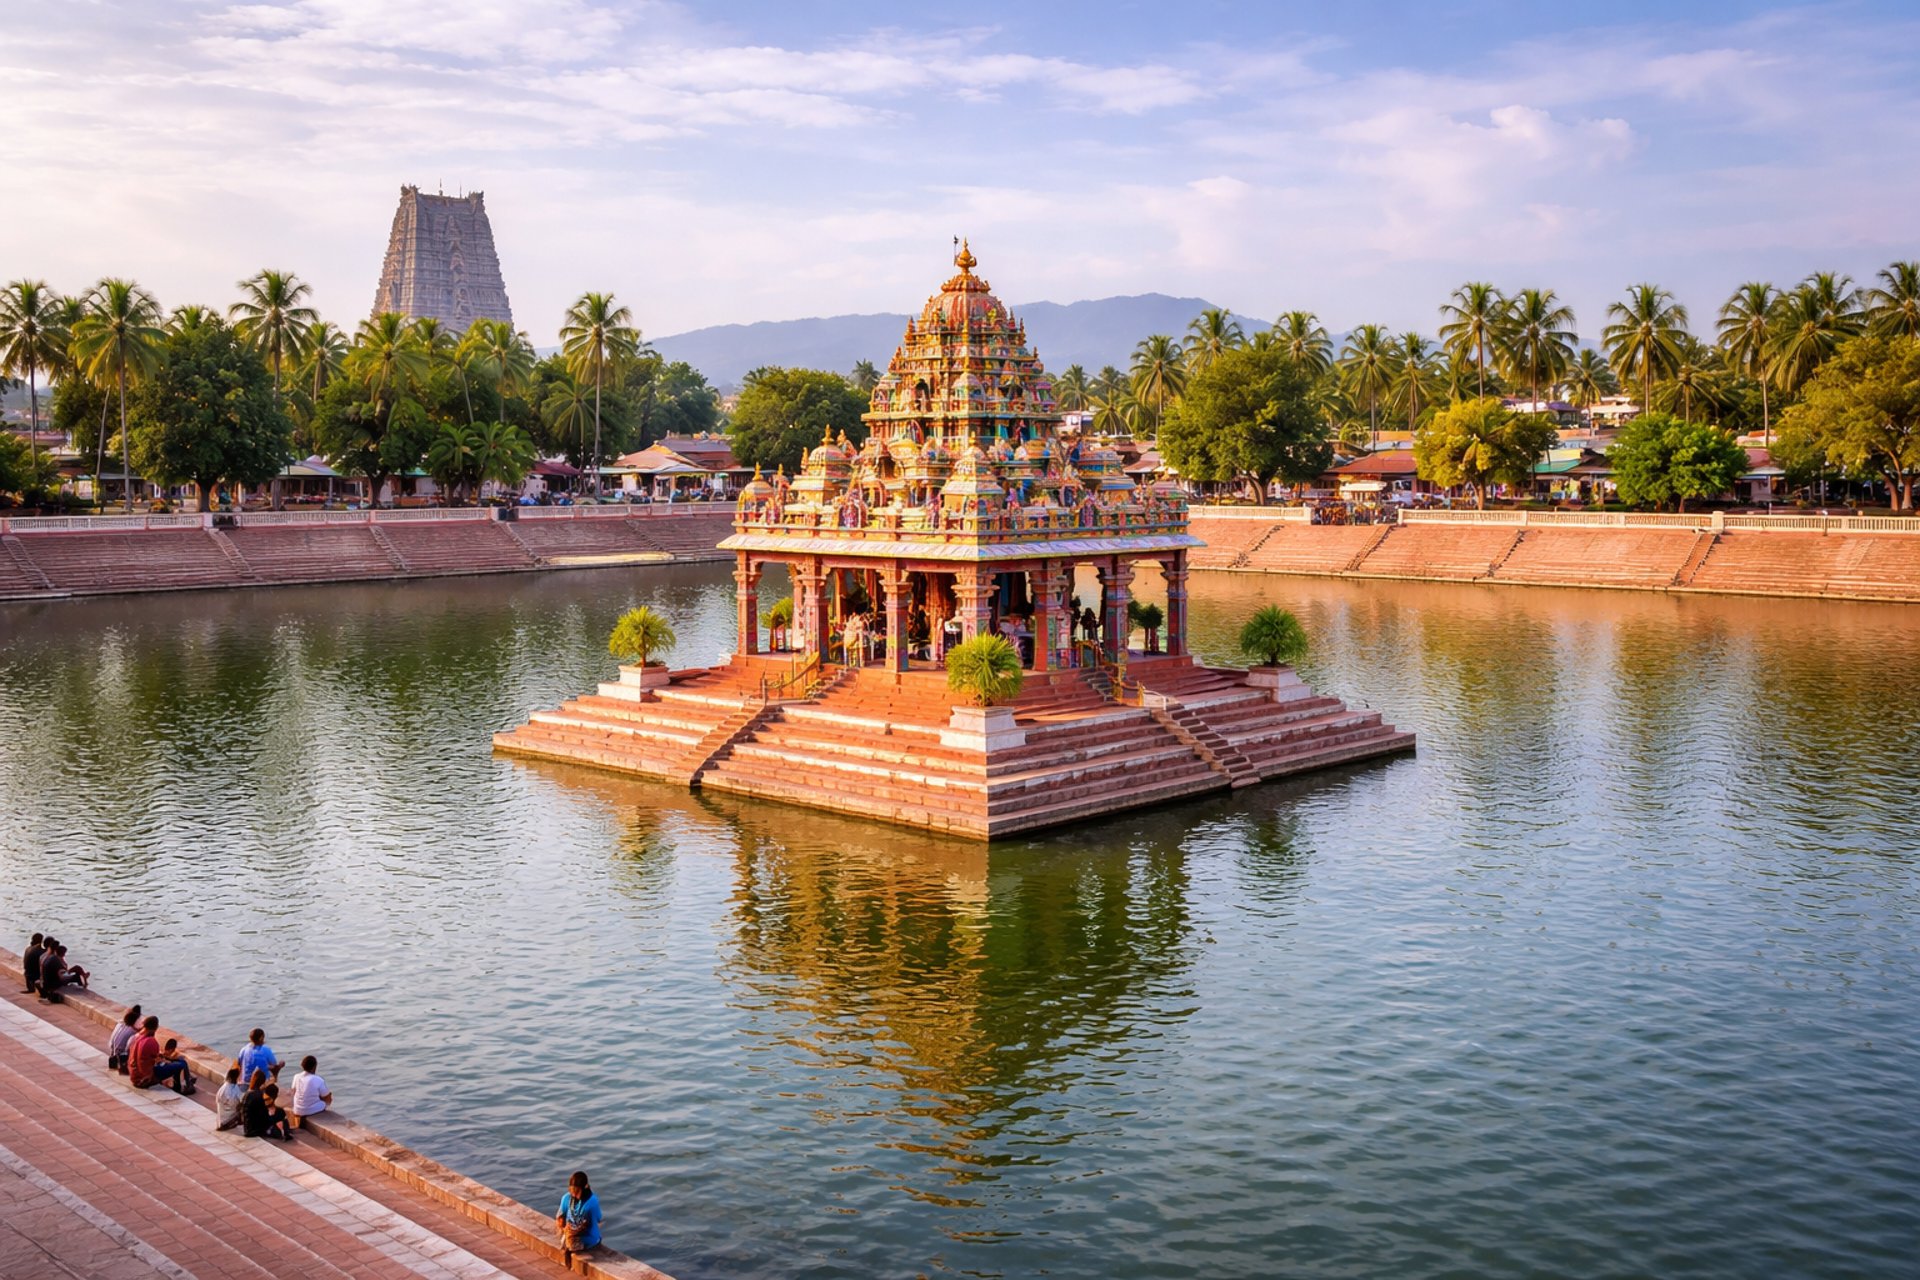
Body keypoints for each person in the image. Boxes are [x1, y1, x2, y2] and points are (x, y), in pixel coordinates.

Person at [129, 1016, 195, 1095]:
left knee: (176, 1062)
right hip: (144, 1079)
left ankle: (183, 1083)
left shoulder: (138, 1038)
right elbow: (158, 1059)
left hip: (134, 1076)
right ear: (156, 1027)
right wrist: (167, 1060)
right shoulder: (151, 1041)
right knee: (182, 1064)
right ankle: (182, 1087)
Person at [555, 1170, 603, 1263]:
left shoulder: (590, 1202)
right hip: (578, 1237)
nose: (574, 1194)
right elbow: (599, 1218)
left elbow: (559, 1217)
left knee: (569, 1240)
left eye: (576, 1192)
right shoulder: (568, 1198)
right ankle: (570, 1246)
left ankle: (569, 1246)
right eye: (572, 1191)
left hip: (577, 1236)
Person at [286, 1055, 331, 1129]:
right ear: (314, 1067)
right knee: (327, 1098)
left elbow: (293, 1091)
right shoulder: (318, 1079)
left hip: (297, 1109)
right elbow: (326, 1095)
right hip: (309, 1110)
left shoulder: (296, 1076)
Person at [107, 1005, 142, 1074]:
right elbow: (129, 1046)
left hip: (112, 1051)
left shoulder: (120, 1024)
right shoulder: (133, 1031)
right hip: (120, 1056)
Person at [214, 1066, 246, 1131]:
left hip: (221, 1117)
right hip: (228, 1118)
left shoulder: (222, 1088)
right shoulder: (235, 1090)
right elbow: (240, 1102)